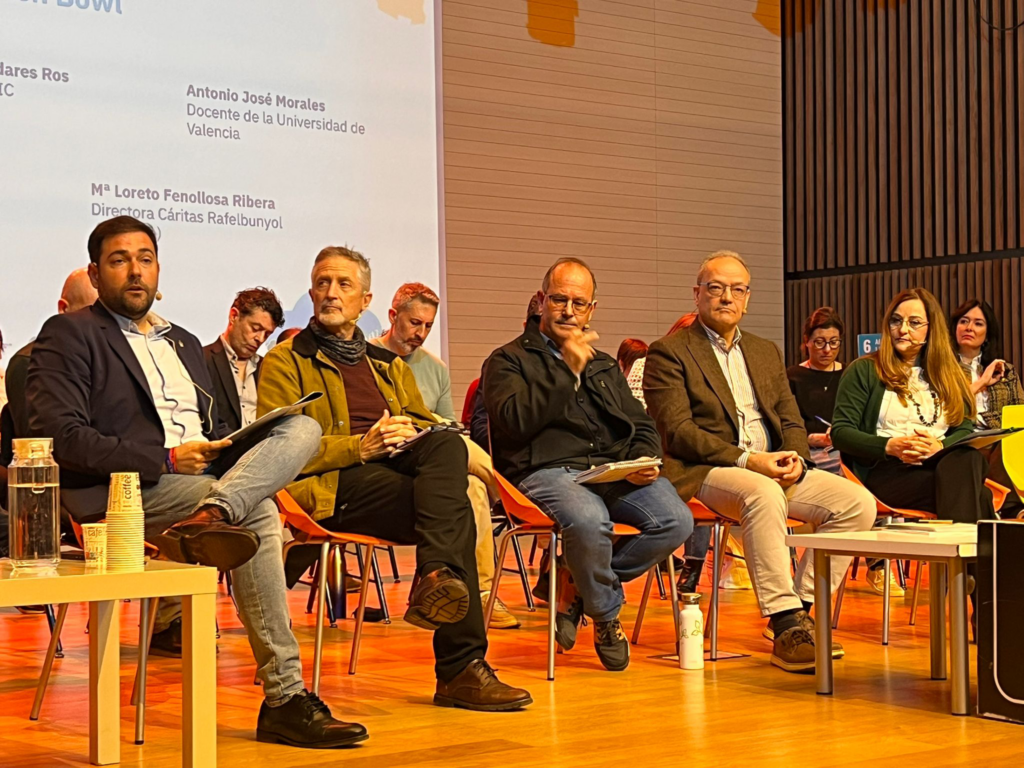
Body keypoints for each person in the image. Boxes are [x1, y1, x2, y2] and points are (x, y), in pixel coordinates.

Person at [27, 216, 368, 748]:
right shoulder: (70, 333)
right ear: (95, 273)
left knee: (301, 427)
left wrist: (234, 446)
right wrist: (165, 460)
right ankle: (285, 698)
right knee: (258, 511)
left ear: (158, 268)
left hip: (205, 478)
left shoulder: (183, 341)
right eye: (119, 260)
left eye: (145, 259)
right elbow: (60, 437)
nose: (135, 271)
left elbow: (216, 427)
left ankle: (214, 514)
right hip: (128, 492)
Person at [258, 245, 532, 711]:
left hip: (395, 469)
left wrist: (410, 431)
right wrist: (359, 447)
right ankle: (460, 668)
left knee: (447, 445)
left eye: (343, 284)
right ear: (312, 293)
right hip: (335, 483)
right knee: (457, 515)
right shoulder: (286, 361)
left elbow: (428, 424)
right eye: (323, 283)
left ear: (364, 300)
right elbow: (278, 449)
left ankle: (436, 575)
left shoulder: (387, 364)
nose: (331, 292)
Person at [644, 250, 875, 673]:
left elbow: (790, 418)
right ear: (697, 294)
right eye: (716, 288)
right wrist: (750, 460)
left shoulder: (765, 351)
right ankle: (785, 623)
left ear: (747, 299)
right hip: (707, 470)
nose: (726, 297)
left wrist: (796, 458)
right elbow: (678, 432)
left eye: (737, 289)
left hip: (771, 466)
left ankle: (800, 610)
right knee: (764, 493)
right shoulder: (669, 352)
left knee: (857, 504)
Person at [484, 257, 692, 672]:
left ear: (592, 309)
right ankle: (605, 613)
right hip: (544, 471)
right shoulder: (507, 360)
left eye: (578, 303)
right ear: (541, 301)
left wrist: (644, 458)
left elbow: (641, 423)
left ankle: (577, 582)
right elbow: (514, 423)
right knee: (590, 520)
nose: (568, 311)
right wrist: (566, 370)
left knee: (676, 521)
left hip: (610, 469)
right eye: (559, 300)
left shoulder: (601, 364)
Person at [832, 288, 995, 616]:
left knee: (967, 459)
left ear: (931, 328)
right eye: (896, 321)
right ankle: (979, 602)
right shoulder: (864, 370)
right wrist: (889, 446)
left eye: (914, 322)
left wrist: (940, 446)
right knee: (980, 497)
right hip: (885, 473)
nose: (903, 330)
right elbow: (841, 432)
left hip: (939, 468)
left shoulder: (951, 373)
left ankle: (960, 582)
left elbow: (963, 427)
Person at [371, 282, 519, 629]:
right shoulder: (367, 358)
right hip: (388, 458)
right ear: (392, 316)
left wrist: (432, 426)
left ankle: (481, 591)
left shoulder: (435, 368)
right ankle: (516, 500)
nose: (421, 333)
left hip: (434, 459)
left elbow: (449, 425)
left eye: (428, 326)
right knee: (452, 448)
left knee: (474, 488)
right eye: (414, 323)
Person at [950, 299, 1024, 515]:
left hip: (999, 437)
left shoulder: (1005, 370)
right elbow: (944, 407)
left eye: (978, 323)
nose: (969, 328)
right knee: (989, 451)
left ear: (987, 334)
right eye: (964, 321)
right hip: (961, 436)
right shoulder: (942, 369)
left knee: (1006, 444)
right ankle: (1013, 510)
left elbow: (1019, 410)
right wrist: (981, 383)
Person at [204, 287, 284, 433]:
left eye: (267, 334)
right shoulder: (201, 360)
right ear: (234, 316)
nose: (260, 339)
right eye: (255, 328)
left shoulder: (268, 366)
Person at [786, 307, 845, 475]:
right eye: (820, 342)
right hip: (807, 451)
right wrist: (812, 438)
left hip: (843, 451)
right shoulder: (792, 377)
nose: (827, 350)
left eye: (834, 342)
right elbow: (785, 424)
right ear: (807, 341)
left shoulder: (848, 375)